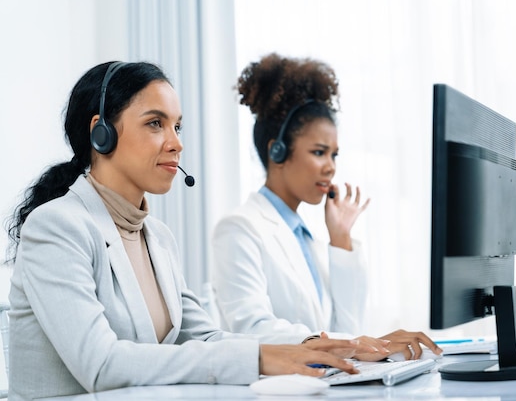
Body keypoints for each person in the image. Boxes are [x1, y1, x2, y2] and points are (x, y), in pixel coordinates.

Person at [4, 61, 387, 401]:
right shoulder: (56, 227)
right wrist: (258, 358)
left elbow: (205, 338)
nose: (177, 143)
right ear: (101, 132)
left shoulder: (158, 237)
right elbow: (102, 365)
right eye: (156, 124)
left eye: (178, 126)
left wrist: (317, 346)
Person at [210, 53, 441, 360]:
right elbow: (252, 328)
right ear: (277, 152)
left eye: (334, 155)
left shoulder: (310, 242)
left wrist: (341, 239)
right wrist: (357, 344)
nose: (330, 167)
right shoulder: (239, 228)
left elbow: (348, 328)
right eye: (319, 152)